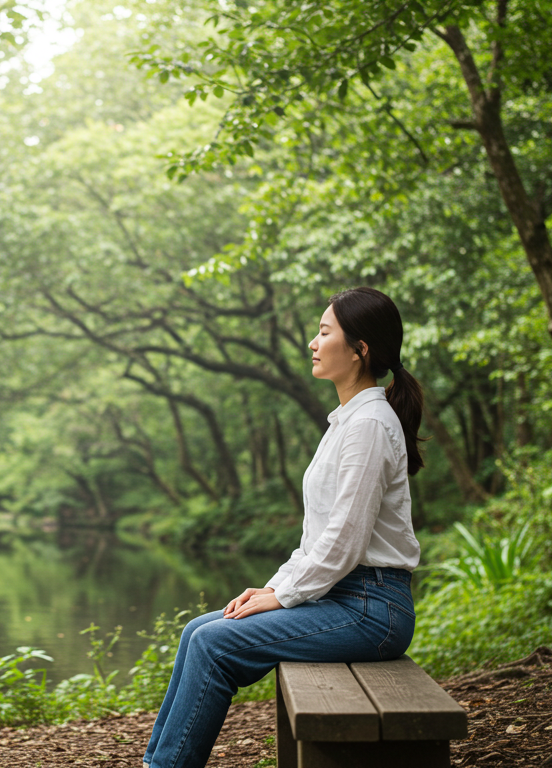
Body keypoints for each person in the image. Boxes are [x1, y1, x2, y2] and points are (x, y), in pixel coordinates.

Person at [141, 286, 426, 768]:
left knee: (214, 644)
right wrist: (274, 587)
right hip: (343, 596)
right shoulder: (346, 422)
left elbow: (345, 541)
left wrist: (285, 596)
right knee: (196, 631)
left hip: (372, 610)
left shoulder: (370, 425)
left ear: (360, 350)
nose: (313, 343)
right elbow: (317, 538)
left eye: (324, 332)